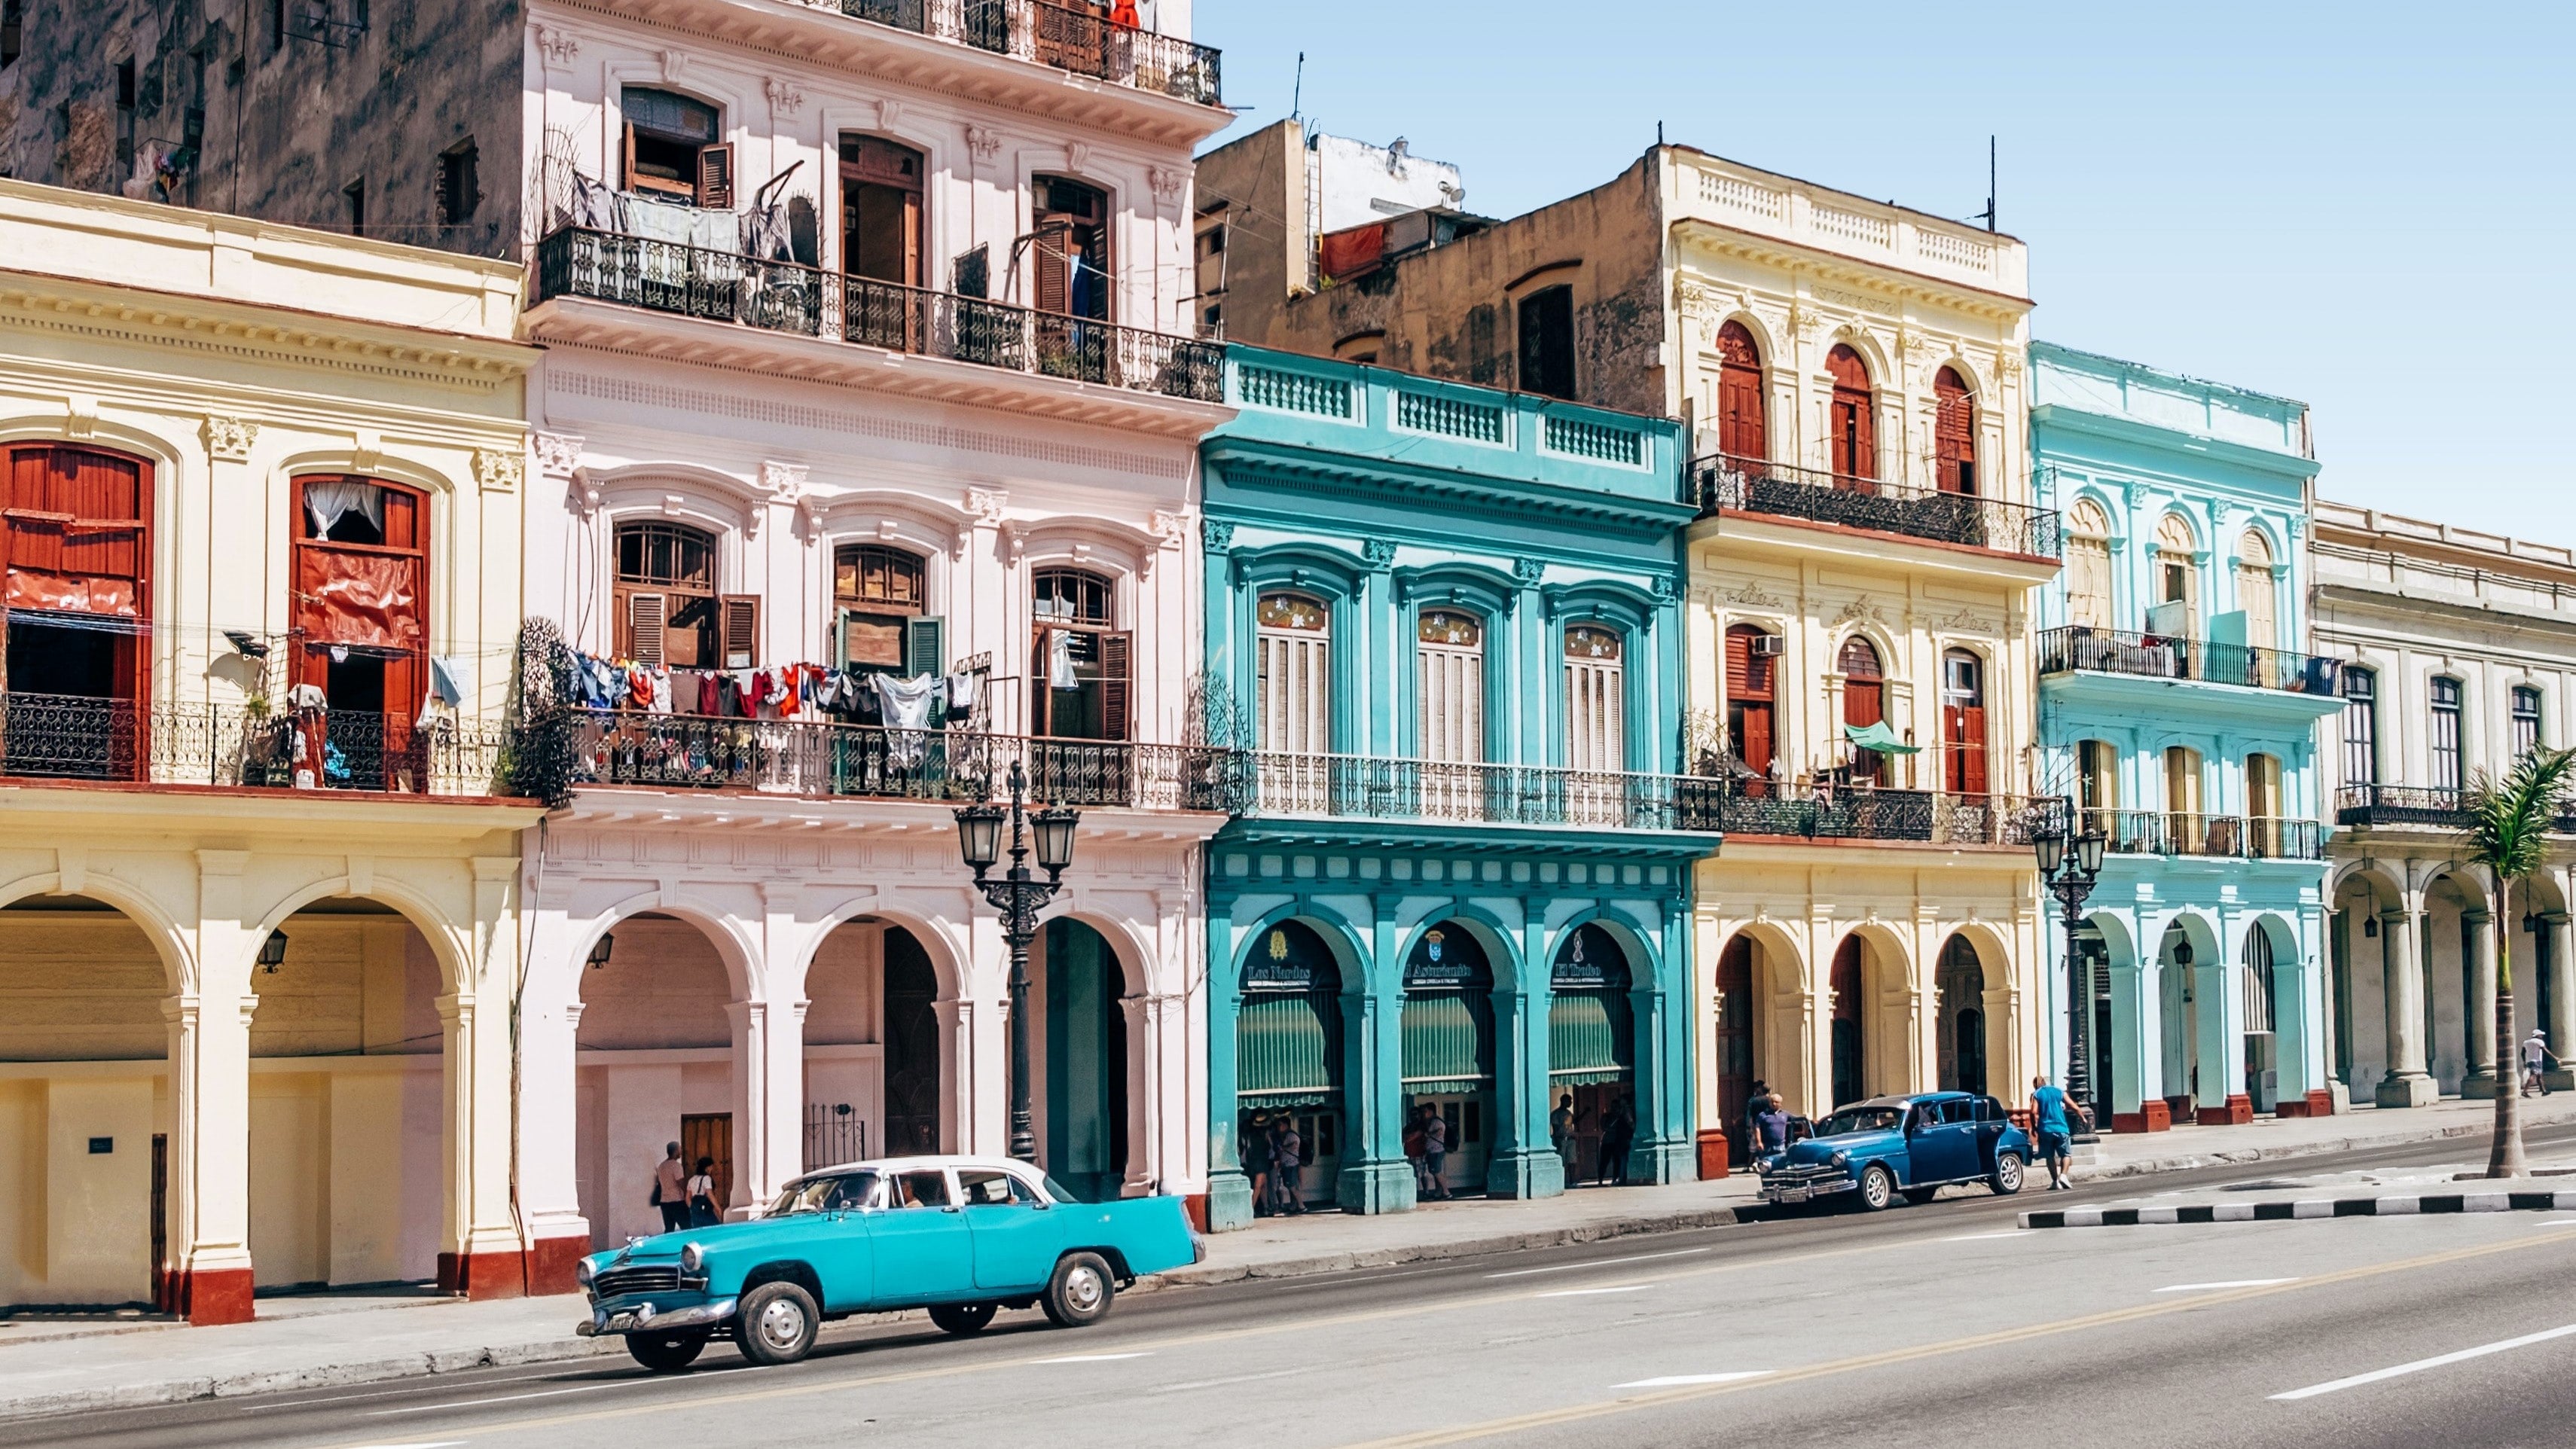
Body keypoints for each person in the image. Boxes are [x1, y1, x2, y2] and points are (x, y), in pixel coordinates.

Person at [2029, 1075, 2079, 1191]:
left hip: (2045, 1130)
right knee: (2066, 1154)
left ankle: (2055, 1181)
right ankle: (2063, 1176)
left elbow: (2033, 1111)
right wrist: (2081, 1115)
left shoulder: (2036, 1094)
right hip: (2061, 1128)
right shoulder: (2058, 1091)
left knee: (2049, 1156)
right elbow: (2071, 1105)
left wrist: (2034, 1126)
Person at [1242, 1111, 1276, 1217]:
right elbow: (1272, 1146)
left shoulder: (1251, 1134)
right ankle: (1251, 1208)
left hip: (1254, 1160)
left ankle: (1265, 1207)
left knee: (1263, 1185)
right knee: (1259, 1185)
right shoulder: (1266, 1134)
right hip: (1262, 1161)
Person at [1597, 1095, 1634, 1187]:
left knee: (1617, 1161)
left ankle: (1615, 1179)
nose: (1614, 1109)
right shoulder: (1607, 1116)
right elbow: (1604, 1127)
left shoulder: (1622, 1116)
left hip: (1617, 1141)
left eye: (1616, 1107)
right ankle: (1600, 1180)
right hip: (1607, 1142)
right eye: (1613, 1107)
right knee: (1604, 1161)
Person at [1271, 1116, 1305, 1216]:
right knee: (1290, 1186)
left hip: (1291, 1164)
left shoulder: (1291, 1135)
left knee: (1292, 1186)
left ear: (1285, 1125)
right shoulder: (1286, 1135)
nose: (1279, 1127)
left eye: (1280, 1125)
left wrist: (1283, 1148)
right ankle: (1293, 1206)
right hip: (1287, 1164)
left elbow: (1293, 1146)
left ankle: (1301, 1205)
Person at [654, 1141, 690, 1233]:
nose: (681, 1152)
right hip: (677, 1201)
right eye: (680, 1149)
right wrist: (688, 1197)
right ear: (676, 1151)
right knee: (687, 1227)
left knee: (669, 1229)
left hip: (664, 1202)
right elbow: (681, 1183)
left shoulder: (661, 1166)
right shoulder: (676, 1166)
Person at [1421, 1106, 1451, 1200]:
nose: (1424, 1113)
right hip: (1432, 1151)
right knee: (1435, 1172)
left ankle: (1447, 1192)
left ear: (1431, 1111)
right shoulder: (1430, 1122)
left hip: (1436, 1151)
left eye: (1426, 1111)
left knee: (1437, 1172)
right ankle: (1438, 1193)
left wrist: (1429, 1134)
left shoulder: (1437, 1122)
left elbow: (1439, 1132)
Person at [1752, 1093, 1793, 1161]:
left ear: (1780, 1104)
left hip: (1781, 1146)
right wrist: (1759, 1142)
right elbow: (1757, 1128)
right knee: (1766, 1165)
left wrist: (1811, 1121)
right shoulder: (1763, 1115)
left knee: (1781, 1165)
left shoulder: (1785, 1114)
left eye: (1776, 1102)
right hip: (1767, 1146)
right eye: (1772, 1102)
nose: (1774, 1104)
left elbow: (1798, 1119)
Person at [1551, 1094, 1580, 1185]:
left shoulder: (1569, 1113)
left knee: (1572, 1161)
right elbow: (1555, 1128)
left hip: (1570, 1139)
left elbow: (1575, 1121)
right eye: (1569, 1101)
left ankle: (1572, 1181)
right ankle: (1561, 1182)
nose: (1571, 1103)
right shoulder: (1556, 1114)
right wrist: (1557, 1141)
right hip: (1561, 1140)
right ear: (1563, 1101)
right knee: (1562, 1162)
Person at [686, 1155, 722, 1227]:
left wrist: (693, 1208)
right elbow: (710, 1194)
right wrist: (718, 1208)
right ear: (707, 1167)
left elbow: (687, 1198)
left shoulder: (692, 1179)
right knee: (714, 1229)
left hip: (695, 1211)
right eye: (711, 1166)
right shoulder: (706, 1178)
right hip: (706, 1209)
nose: (712, 1169)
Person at [2524, 1028, 2556, 1097]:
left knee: (2539, 1076)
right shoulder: (2539, 1042)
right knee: (2533, 1075)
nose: (2542, 1036)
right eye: (2541, 1035)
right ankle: (2525, 1091)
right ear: (2538, 1035)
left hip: (2529, 1061)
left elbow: (2523, 1052)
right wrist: (2555, 1058)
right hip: (2537, 1061)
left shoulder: (2526, 1042)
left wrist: (2525, 1061)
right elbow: (2546, 1050)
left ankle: (2543, 1091)